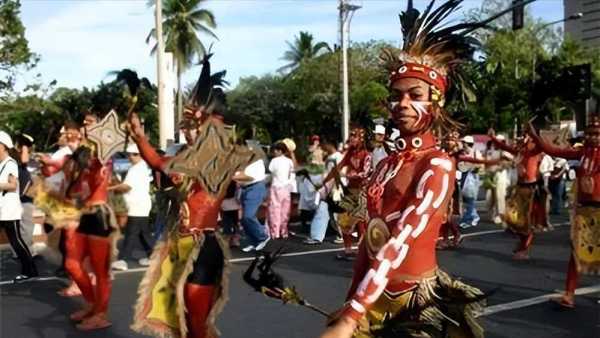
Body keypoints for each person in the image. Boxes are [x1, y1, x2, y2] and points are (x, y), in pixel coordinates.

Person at [320, 2, 485, 336]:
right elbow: (371, 240)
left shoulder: (436, 164)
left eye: (415, 95)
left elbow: (402, 241)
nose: (402, 105)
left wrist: (352, 314)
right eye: (396, 96)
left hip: (413, 304)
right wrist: (352, 301)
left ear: (436, 101)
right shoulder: (386, 164)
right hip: (373, 298)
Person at [130, 54, 260, 338]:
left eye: (193, 126)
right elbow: (160, 164)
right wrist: (140, 137)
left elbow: (162, 163)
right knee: (183, 316)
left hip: (204, 246)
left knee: (197, 318)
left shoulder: (218, 159)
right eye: (186, 126)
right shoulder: (185, 159)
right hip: (180, 245)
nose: (187, 131)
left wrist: (142, 140)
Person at [527, 117, 600, 308]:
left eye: (597, 134)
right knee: (575, 252)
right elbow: (553, 150)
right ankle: (569, 294)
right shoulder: (582, 152)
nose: (593, 137)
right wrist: (535, 136)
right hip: (584, 211)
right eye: (591, 133)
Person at [489, 128, 545, 260]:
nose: (521, 138)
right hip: (520, 189)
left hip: (531, 190)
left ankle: (524, 249)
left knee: (527, 222)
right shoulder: (520, 152)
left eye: (524, 136)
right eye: (522, 135)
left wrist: (532, 133)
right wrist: (493, 138)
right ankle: (521, 244)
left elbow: (542, 145)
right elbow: (504, 146)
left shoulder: (535, 151)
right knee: (514, 219)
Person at [322, 127, 372, 261]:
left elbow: (365, 173)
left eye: (354, 136)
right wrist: (325, 181)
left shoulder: (367, 155)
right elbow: (338, 167)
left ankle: (363, 251)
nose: (351, 139)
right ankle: (348, 250)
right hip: (350, 190)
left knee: (361, 222)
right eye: (351, 136)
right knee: (343, 220)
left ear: (361, 139)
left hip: (363, 191)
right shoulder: (350, 153)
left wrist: (348, 174)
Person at [0, 131, 38, 282]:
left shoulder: (10, 163)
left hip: (9, 209)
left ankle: (30, 270)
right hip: (2, 208)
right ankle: (31, 270)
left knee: (16, 241)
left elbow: (13, 185)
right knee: (16, 241)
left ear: (3, 146)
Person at [110, 143, 154, 271]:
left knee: (131, 233)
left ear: (139, 155)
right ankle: (153, 256)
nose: (129, 158)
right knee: (143, 234)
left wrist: (109, 189)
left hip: (137, 205)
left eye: (132, 155)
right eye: (129, 155)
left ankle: (123, 259)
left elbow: (126, 187)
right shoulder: (141, 167)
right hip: (140, 204)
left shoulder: (136, 169)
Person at [267, 142, 295, 239]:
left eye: (275, 150)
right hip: (286, 187)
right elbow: (292, 174)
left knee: (275, 210)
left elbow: (271, 172)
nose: (274, 152)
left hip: (276, 186)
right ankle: (284, 231)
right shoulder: (289, 161)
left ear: (279, 151)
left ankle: (275, 232)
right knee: (285, 210)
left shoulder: (274, 161)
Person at [484, 136, 513, 226]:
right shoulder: (490, 151)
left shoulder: (505, 152)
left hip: (500, 175)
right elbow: (486, 162)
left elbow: (510, 163)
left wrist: (500, 167)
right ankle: (493, 213)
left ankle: (500, 215)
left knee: (499, 195)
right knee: (490, 196)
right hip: (490, 175)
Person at [458, 135, 483, 228]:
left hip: (472, 177)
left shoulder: (475, 153)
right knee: (465, 199)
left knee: (470, 199)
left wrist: (473, 166)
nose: (462, 144)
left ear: (468, 144)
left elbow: (480, 165)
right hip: (463, 176)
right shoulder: (461, 153)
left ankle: (466, 219)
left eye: (463, 143)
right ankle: (475, 216)